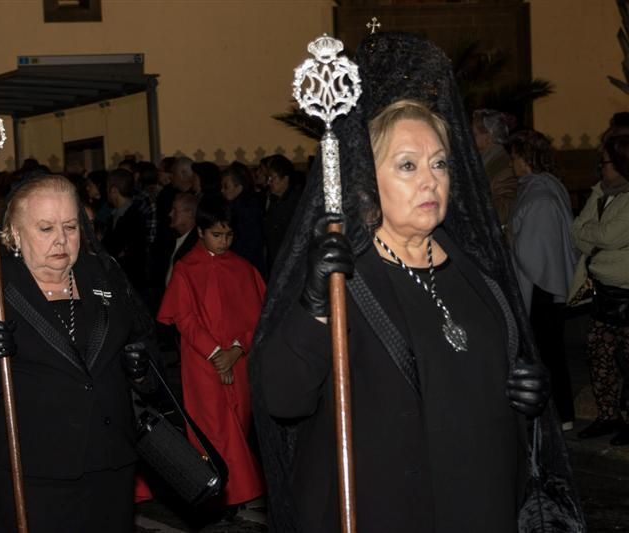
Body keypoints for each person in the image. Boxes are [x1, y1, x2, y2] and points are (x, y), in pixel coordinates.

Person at [250, 33, 583, 532]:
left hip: (482, 505)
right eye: (407, 166)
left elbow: (496, 374)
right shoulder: (344, 279)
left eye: (440, 163)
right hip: (389, 510)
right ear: (367, 179)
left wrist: (527, 397)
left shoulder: (478, 273)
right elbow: (282, 399)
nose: (431, 180)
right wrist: (314, 305)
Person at [0, 174, 159, 532]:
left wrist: (143, 371)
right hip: (31, 469)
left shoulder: (105, 276)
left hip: (109, 463)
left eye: (70, 226)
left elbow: (150, 347)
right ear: (14, 234)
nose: (61, 239)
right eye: (45, 228)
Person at [157, 197, 266, 517]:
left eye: (228, 235)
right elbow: (185, 318)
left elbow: (257, 317)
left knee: (239, 421)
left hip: (239, 358)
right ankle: (227, 492)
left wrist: (235, 350)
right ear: (201, 232)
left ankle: (235, 492)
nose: (223, 241)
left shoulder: (243, 268)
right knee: (216, 429)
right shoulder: (186, 269)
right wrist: (217, 354)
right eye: (217, 234)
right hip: (202, 363)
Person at [506, 129, 577, 429]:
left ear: (525, 158)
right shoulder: (546, 187)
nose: (512, 163)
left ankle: (561, 415)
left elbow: (532, 251)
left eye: (515, 157)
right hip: (545, 284)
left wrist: (508, 237)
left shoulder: (539, 195)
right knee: (550, 353)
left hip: (541, 288)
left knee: (549, 354)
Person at [571, 133, 629, 445]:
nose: (600, 169)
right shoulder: (600, 193)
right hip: (605, 292)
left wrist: (595, 238)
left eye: (604, 163)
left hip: (626, 292)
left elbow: (607, 238)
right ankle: (608, 416)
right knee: (600, 356)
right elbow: (576, 231)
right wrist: (595, 235)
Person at [473, 108, 517, 227]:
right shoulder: (484, 160)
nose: (471, 138)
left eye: (475, 134)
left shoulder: (504, 164)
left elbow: (505, 208)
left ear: (488, 136)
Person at [221, 162, 266, 276]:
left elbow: (249, 242)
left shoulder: (245, 208)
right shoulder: (240, 205)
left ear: (239, 187)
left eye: (226, 186)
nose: (222, 191)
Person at [263, 154, 301, 272]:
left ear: (285, 179)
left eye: (272, 178)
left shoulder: (295, 202)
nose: (269, 182)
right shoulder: (274, 200)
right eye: (268, 178)